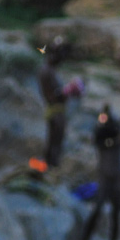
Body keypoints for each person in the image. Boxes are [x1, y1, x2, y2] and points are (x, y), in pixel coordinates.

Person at [76, 104, 120, 240]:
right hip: (105, 178)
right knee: (97, 211)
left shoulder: (115, 131)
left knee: (116, 213)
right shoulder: (101, 135)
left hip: (115, 178)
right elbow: (99, 138)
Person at [38, 36, 83, 169]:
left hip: (58, 111)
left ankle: (50, 170)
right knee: (54, 143)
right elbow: (52, 96)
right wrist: (68, 91)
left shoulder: (51, 71)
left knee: (56, 143)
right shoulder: (46, 71)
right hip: (54, 112)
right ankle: (48, 169)